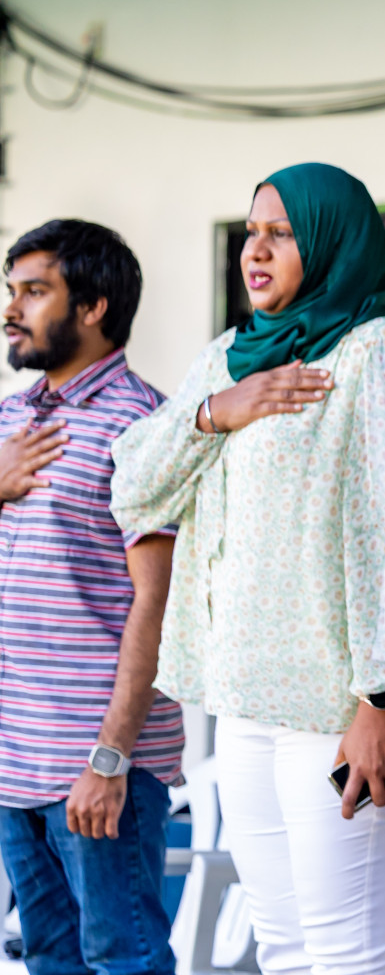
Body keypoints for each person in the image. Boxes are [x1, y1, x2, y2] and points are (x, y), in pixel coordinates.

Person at [110, 163, 385, 975]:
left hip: (342, 711)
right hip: (246, 704)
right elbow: (132, 486)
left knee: (347, 954)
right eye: (249, 232)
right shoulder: (232, 356)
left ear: (332, 240)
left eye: (281, 233)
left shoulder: (384, 352)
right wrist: (211, 414)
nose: (254, 250)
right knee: (284, 950)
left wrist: (383, 697)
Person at [0, 220, 182, 975]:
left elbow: (155, 604)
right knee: (49, 959)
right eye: (12, 291)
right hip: (12, 763)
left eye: (35, 291)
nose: (13, 309)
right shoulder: (10, 420)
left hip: (96, 765)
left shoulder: (143, 425)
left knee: (124, 961)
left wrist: (109, 761)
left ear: (95, 306)